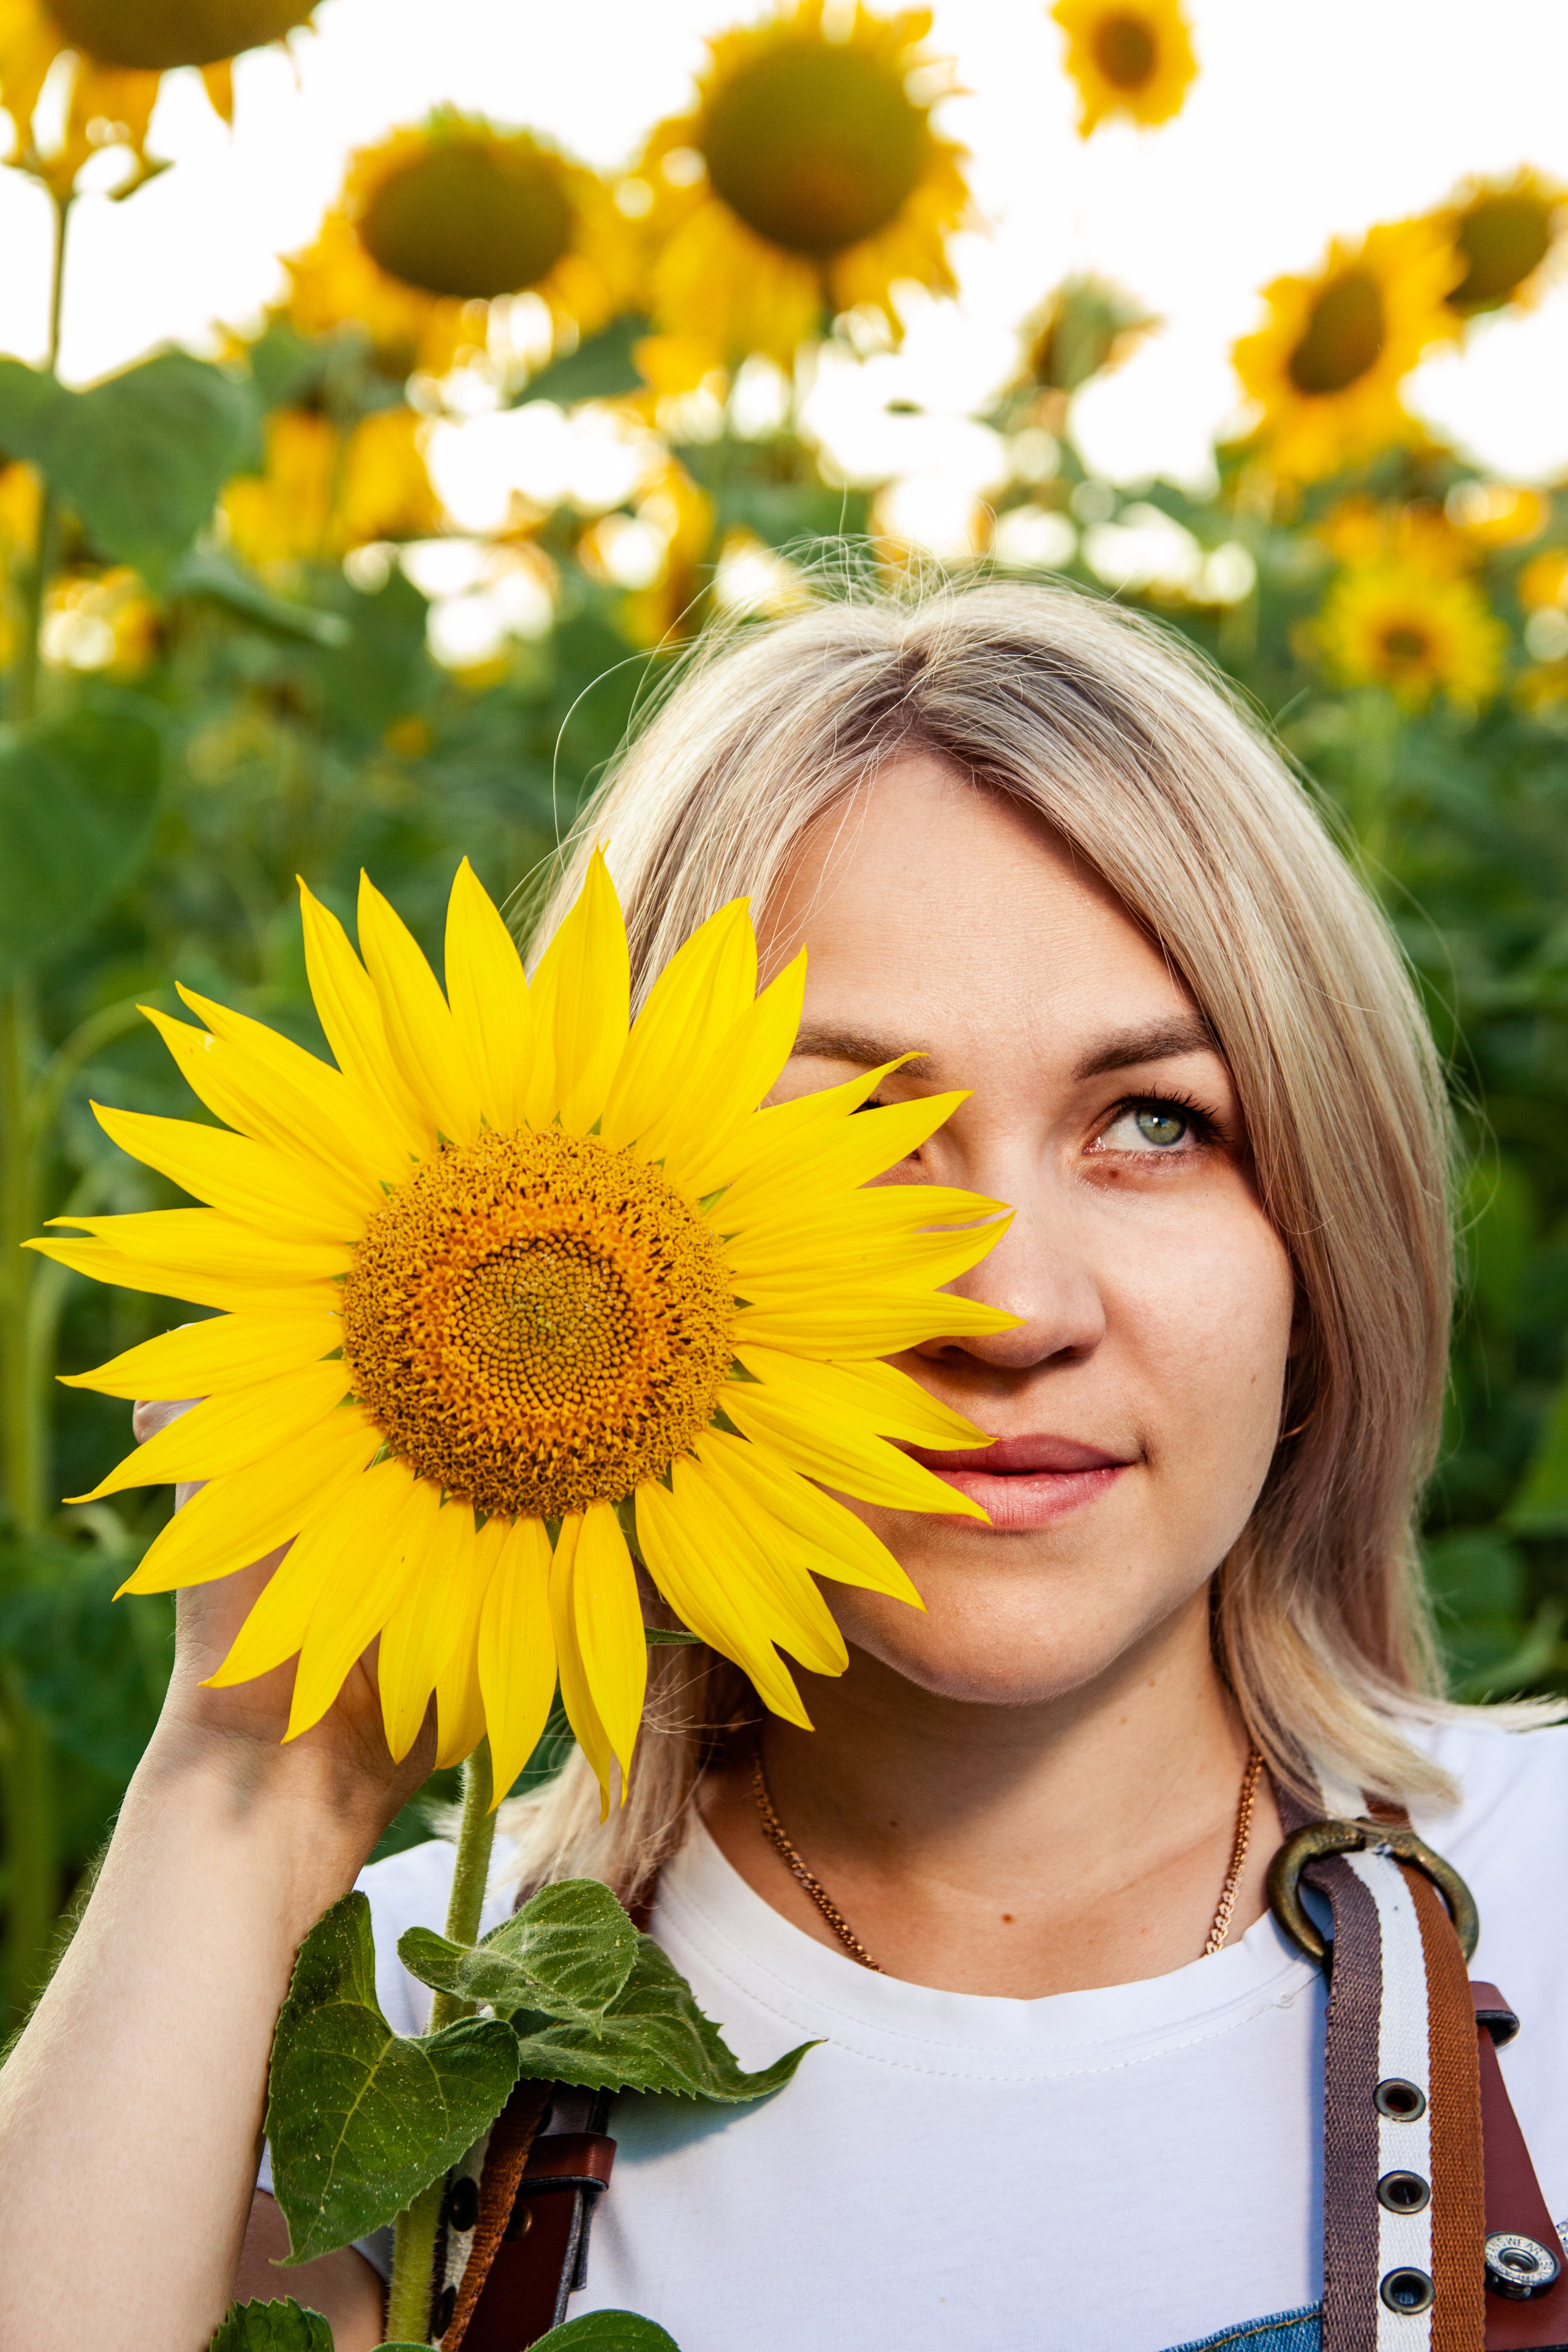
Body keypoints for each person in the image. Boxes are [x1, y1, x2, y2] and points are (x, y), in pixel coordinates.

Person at [1, 579, 1564, 2352]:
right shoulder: (380, 2036)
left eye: (1156, 1123)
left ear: (1322, 1241)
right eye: (854, 1136)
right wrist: (255, 1790)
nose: (1010, 1301)